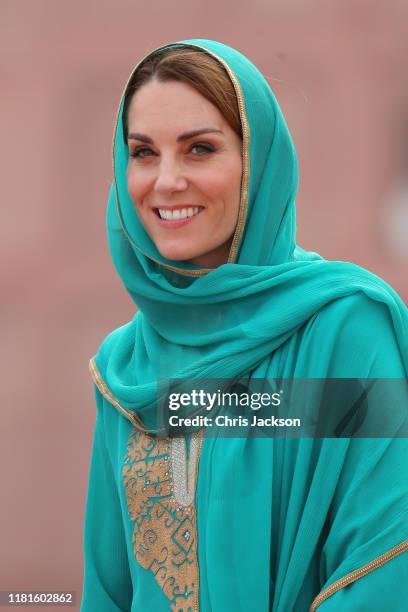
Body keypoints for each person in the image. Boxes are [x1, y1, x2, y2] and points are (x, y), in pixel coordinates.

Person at [80, 39, 408, 611]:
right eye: (143, 152)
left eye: (199, 149)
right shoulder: (125, 368)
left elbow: (384, 569)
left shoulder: (344, 328)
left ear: (259, 163)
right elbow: (106, 590)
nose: (166, 181)